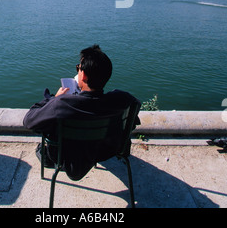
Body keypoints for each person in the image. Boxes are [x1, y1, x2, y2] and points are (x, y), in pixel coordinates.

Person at [23, 44, 140, 180]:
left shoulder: (62, 104)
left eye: (78, 68)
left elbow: (28, 120)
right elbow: (134, 113)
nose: (78, 70)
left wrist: (53, 99)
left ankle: (45, 156)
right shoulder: (123, 99)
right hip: (104, 151)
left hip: (66, 156)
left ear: (83, 75)